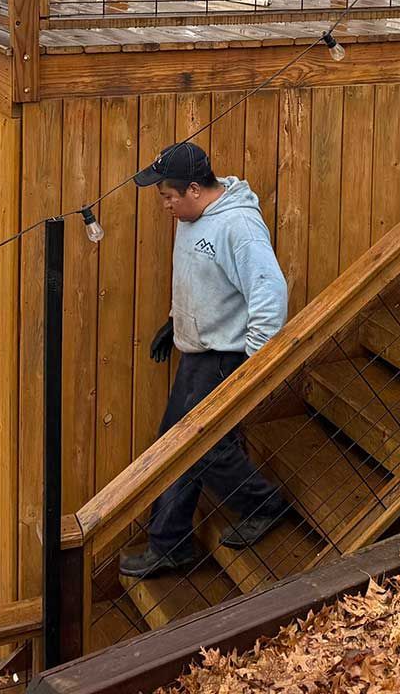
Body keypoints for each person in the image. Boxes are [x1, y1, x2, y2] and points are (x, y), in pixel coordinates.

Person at [118, 141, 292, 580]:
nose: (165, 206)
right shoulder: (191, 217)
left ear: (194, 189)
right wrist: (174, 322)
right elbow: (200, 278)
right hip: (197, 351)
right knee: (173, 447)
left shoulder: (239, 227)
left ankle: (264, 506)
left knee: (204, 449)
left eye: (169, 197)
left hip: (227, 355)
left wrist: (253, 366)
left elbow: (270, 296)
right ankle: (170, 544)